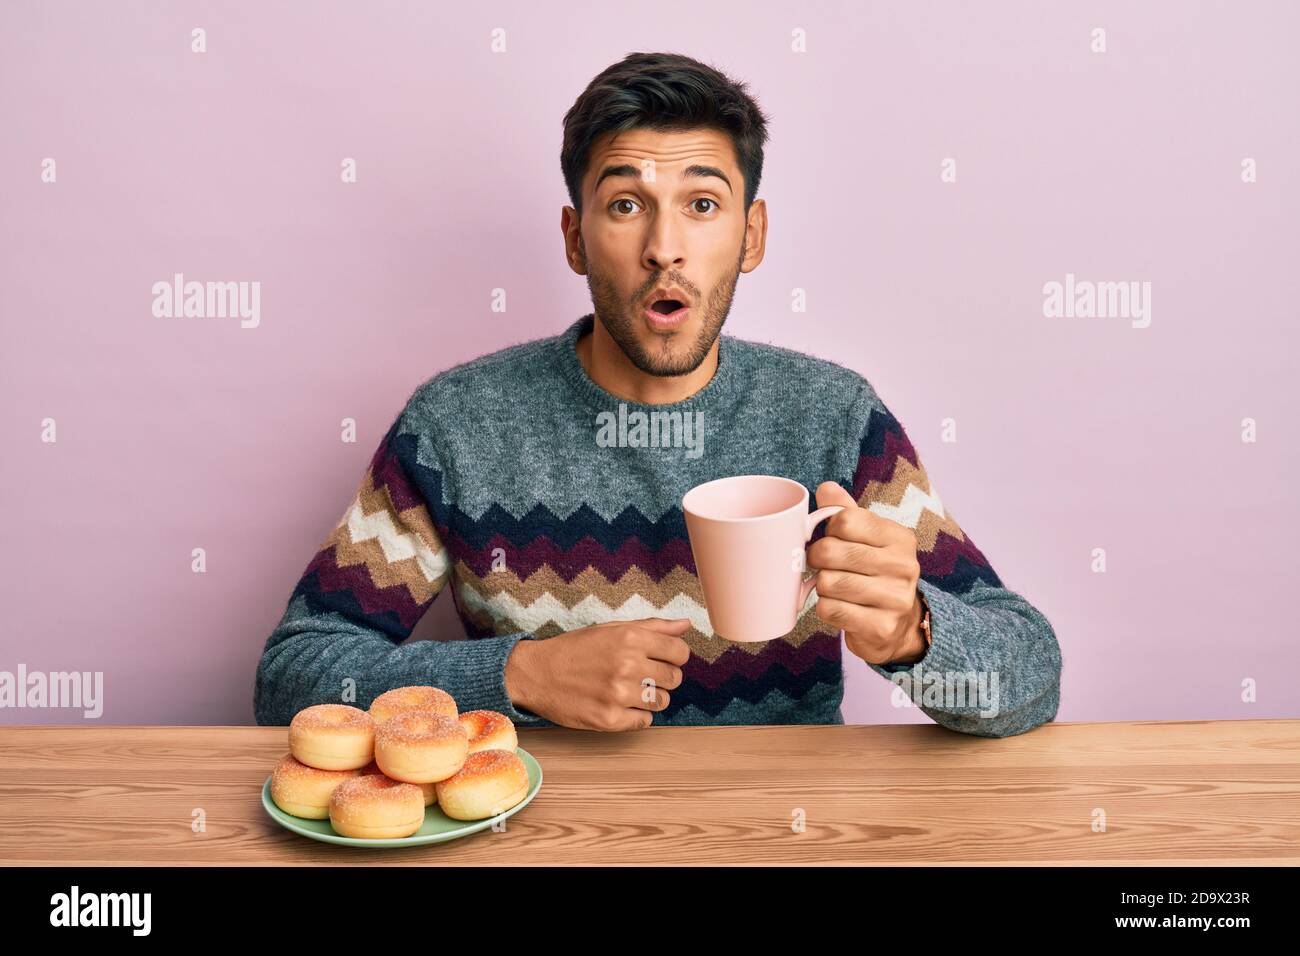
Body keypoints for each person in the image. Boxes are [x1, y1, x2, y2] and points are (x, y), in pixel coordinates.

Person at [254, 51, 1062, 737]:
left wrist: (916, 634)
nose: (664, 248)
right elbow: (292, 676)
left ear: (751, 237)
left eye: (702, 205)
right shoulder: (456, 427)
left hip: (788, 837)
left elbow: (1030, 681)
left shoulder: (833, 421)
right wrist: (519, 675)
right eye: (626, 205)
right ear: (575, 238)